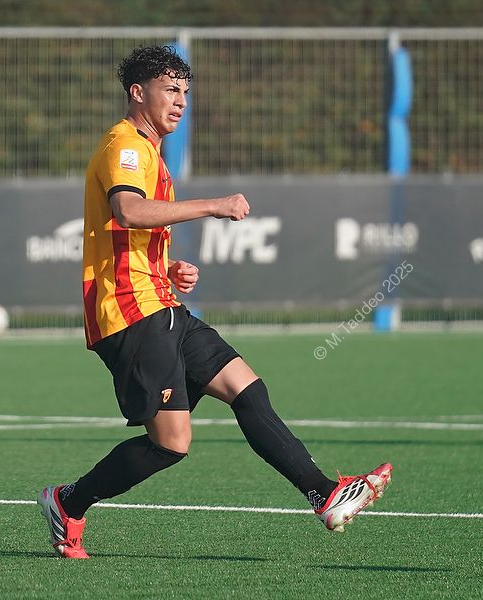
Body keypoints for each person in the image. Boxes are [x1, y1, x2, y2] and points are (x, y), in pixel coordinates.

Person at [37, 45, 391, 559]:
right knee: (170, 444)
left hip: (161, 302)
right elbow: (129, 210)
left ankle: (325, 494)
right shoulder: (127, 145)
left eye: (185, 91)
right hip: (131, 312)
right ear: (138, 93)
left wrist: (167, 268)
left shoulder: (151, 152)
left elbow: (129, 233)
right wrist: (214, 206)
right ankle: (68, 503)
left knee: (247, 388)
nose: (181, 101)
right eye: (169, 90)